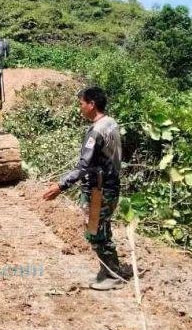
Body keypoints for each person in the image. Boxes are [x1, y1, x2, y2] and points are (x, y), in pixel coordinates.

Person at [42, 86, 129, 290]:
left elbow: (84, 166)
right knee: (102, 228)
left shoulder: (96, 131)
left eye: (81, 103)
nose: (80, 108)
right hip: (110, 185)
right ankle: (106, 270)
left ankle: (113, 275)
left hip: (99, 189)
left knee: (95, 231)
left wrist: (60, 185)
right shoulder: (111, 123)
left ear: (92, 104)